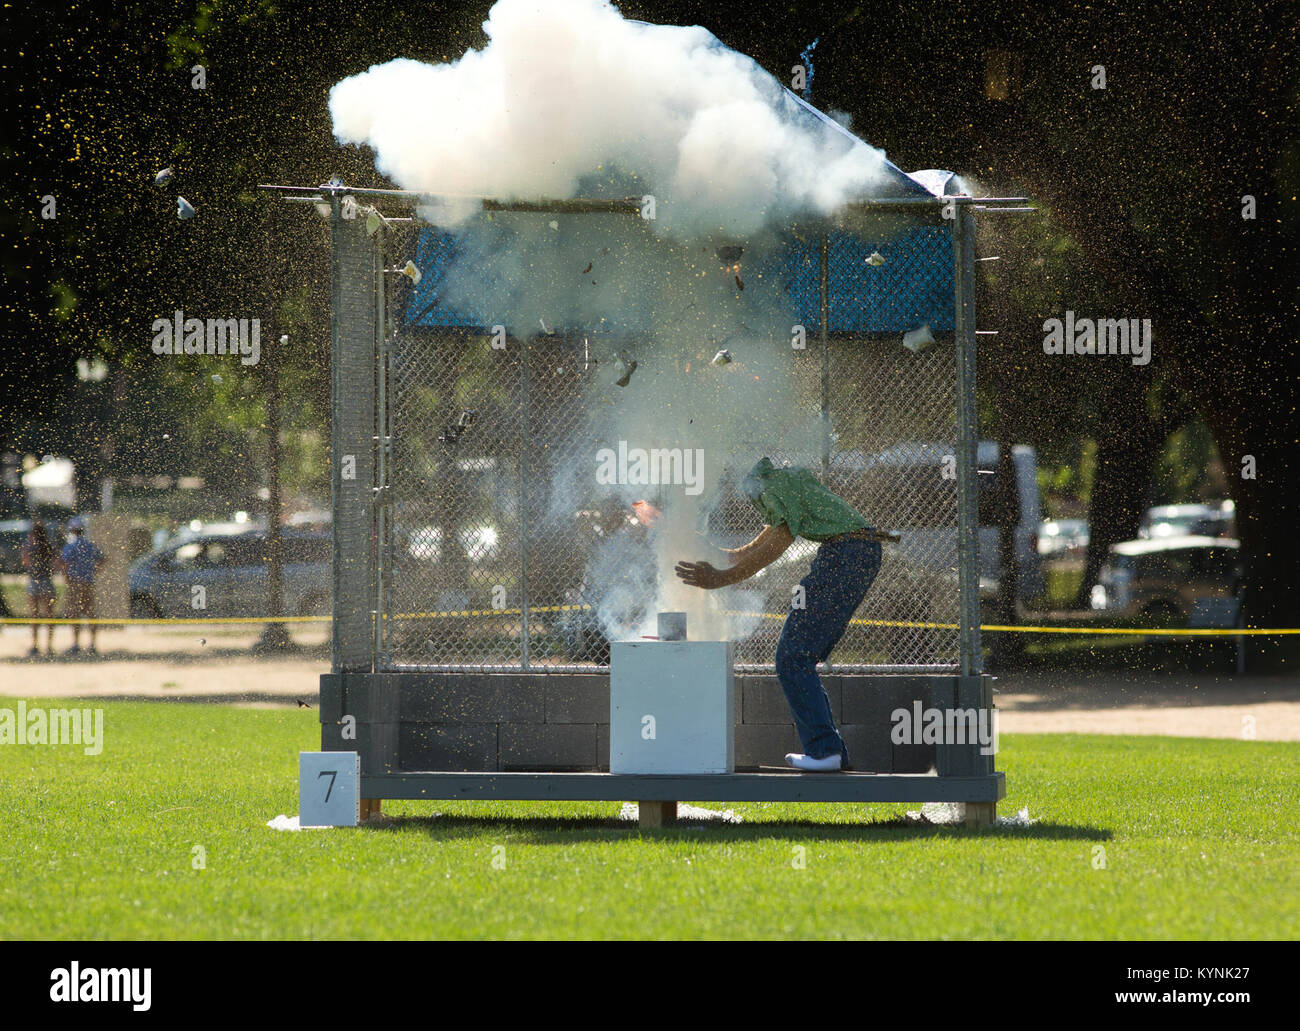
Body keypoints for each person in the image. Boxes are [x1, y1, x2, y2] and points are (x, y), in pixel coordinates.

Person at [675, 456, 893, 772]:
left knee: (792, 657)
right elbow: (751, 548)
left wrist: (721, 579)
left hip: (844, 556)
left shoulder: (772, 486)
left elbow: (777, 545)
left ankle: (825, 751)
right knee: (798, 657)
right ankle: (829, 751)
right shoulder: (785, 482)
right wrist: (712, 552)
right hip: (855, 554)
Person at [61, 516, 104, 655]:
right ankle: (92, 644)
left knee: (75, 613)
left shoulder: (70, 546)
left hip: (75, 583)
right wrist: (94, 572)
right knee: (90, 613)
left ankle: (75, 644)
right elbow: (103, 559)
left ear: (72, 530)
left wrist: (67, 579)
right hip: (88, 582)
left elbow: (64, 564)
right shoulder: (90, 545)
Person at [21, 520, 58, 657]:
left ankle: (34, 645)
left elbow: (25, 562)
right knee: (49, 615)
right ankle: (49, 646)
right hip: (47, 581)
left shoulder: (29, 546)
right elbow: (56, 562)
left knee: (34, 615)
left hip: (34, 581)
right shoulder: (48, 545)